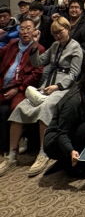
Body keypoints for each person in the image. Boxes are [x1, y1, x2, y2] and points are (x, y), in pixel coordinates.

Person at [3, 17, 84, 177]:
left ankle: (43, 152)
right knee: (21, 108)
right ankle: (12, 154)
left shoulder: (76, 48)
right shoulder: (54, 46)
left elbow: (74, 74)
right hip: (47, 85)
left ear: (67, 29)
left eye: (60, 32)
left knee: (46, 107)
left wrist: (57, 86)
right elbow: (38, 62)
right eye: (55, 33)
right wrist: (34, 45)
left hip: (63, 87)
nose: (58, 36)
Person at [43, 68, 85, 178]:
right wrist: (71, 151)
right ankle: (69, 164)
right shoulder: (74, 101)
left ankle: (67, 160)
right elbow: (62, 133)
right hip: (55, 141)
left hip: (68, 134)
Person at [0, 18, 45, 155]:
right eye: (22, 29)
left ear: (34, 31)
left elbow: (36, 74)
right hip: (4, 84)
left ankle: (14, 144)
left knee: (14, 109)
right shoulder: (13, 43)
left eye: (28, 29)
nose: (25, 32)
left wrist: (18, 89)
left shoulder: (38, 48)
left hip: (21, 88)